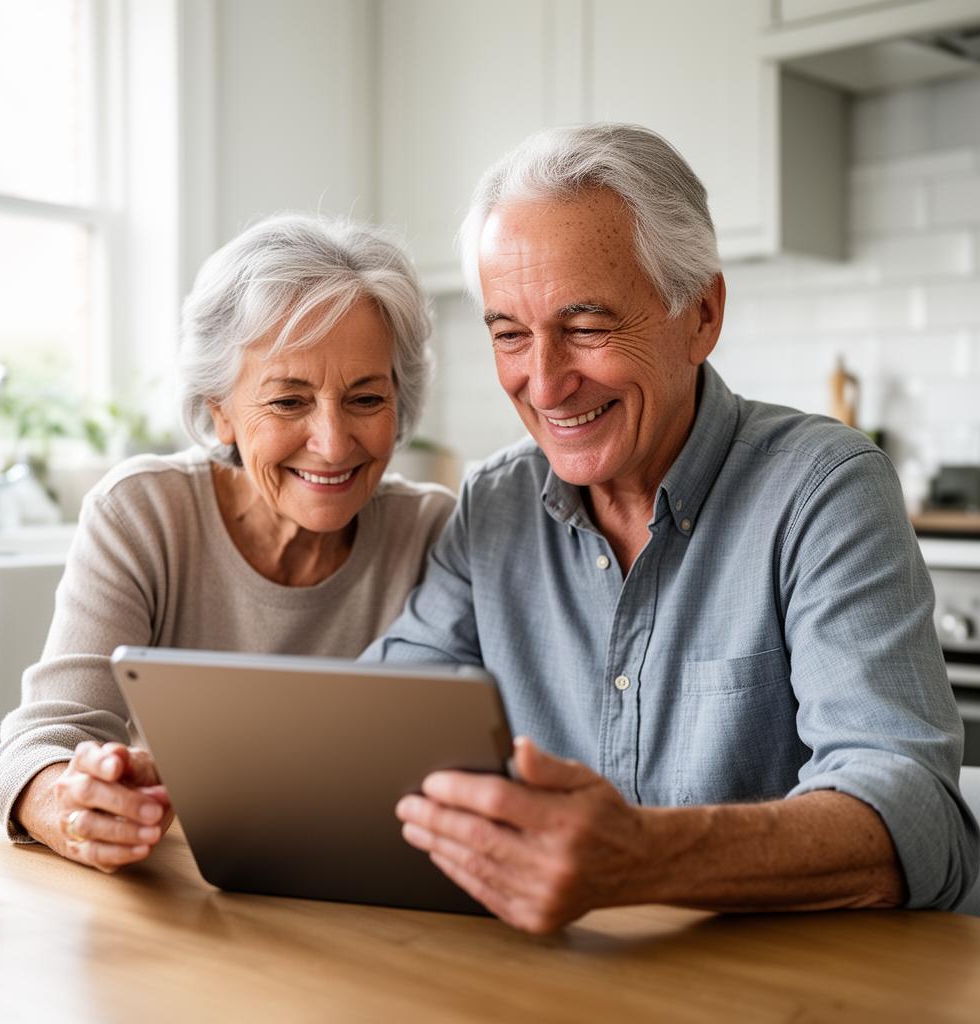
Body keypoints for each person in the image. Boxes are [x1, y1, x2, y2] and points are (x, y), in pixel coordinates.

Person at [366, 123, 979, 932]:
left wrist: (644, 856)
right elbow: (374, 722)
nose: (545, 383)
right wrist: (200, 773)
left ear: (703, 315)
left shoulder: (822, 490)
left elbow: (920, 818)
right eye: (510, 334)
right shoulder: (494, 505)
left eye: (586, 327)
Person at [0, 213, 455, 872]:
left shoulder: (435, 533)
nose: (331, 442)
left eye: (365, 399)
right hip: (200, 892)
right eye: (289, 402)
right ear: (220, 409)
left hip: (375, 892)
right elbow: (41, 740)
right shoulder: (145, 514)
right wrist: (74, 805)